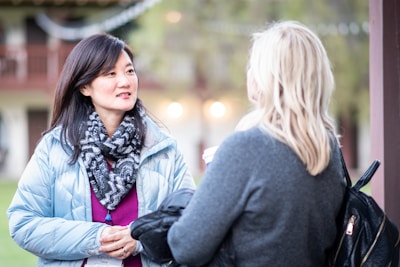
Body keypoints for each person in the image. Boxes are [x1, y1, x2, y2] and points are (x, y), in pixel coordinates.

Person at [167, 20, 347, 266]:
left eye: (254, 65)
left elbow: (186, 247)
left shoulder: (245, 148)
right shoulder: (329, 149)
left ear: (264, 79)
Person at [7, 33, 195, 267]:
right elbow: (23, 223)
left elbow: (191, 221)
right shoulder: (54, 148)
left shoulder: (163, 149)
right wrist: (97, 237)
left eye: (129, 71)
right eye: (110, 74)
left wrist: (139, 238)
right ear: (85, 86)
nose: (125, 81)